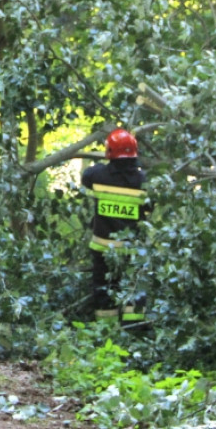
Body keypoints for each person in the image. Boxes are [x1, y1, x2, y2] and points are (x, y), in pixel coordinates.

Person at [82, 128, 149, 324]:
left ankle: (106, 331)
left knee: (104, 289)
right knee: (134, 288)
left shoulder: (96, 176)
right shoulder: (142, 181)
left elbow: (87, 176)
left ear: (109, 152)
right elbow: (148, 210)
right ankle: (134, 330)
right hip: (132, 249)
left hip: (103, 248)